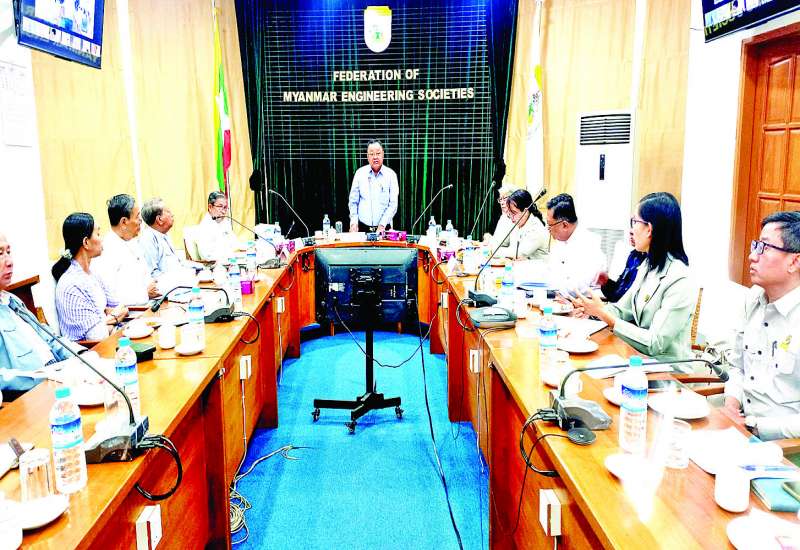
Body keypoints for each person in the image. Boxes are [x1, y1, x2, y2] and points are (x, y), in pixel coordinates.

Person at [571, 192, 694, 362]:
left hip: (668, 370)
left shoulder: (679, 279)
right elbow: (622, 310)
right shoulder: (647, 265)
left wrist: (604, 315)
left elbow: (655, 343)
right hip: (636, 357)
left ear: (649, 229)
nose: (631, 229)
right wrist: (593, 310)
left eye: (634, 222)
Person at [722, 211, 800, 441]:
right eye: (755, 245)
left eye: (764, 248)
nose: (751, 256)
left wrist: (755, 427)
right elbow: (737, 366)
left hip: (785, 447)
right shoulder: (754, 298)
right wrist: (731, 405)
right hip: (741, 429)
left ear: (794, 262)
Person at [0, 232, 71, 398]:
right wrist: (45, 377)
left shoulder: (12, 300)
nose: (9, 262)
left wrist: (81, 356)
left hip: (59, 376)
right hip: (33, 394)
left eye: (8, 252)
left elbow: (49, 338)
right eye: (0, 254)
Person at [53, 213, 128, 341]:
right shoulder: (70, 285)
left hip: (111, 339)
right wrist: (115, 317)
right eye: (98, 234)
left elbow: (121, 306)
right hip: (91, 349)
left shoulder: (93, 274)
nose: (102, 239)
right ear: (86, 242)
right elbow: (96, 335)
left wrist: (105, 319)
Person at [92, 194, 158, 306]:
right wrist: (145, 293)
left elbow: (146, 277)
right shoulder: (106, 251)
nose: (140, 220)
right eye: (137, 216)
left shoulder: (133, 241)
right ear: (124, 222)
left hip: (149, 304)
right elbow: (111, 298)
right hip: (130, 312)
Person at [545, 193, 606, 290]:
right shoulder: (561, 241)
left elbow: (578, 287)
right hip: (560, 295)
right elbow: (550, 273)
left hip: (582, 298)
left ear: (565, 225)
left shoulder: (589, 244)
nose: (548, 229)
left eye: (550, 225)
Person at [140, 198, 200, 292]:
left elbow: (178, 262)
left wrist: (201, 267)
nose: (172, 214)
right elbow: (153, 274)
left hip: (181, 285)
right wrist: (180, 279)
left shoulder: (164, 234)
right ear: (159, 219)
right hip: (169, 291)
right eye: (168, 212)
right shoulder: (147, 239)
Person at [348, 139, 399, 233]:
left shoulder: (391, 175)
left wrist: (382, 225)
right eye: (371, 154)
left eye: (378, 153)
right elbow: (353, 202)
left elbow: (393, 204)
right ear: (367, 156)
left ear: (383, 154)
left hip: (384, 228)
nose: (375, 157)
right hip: (362, 228)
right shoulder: (360, 173)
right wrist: (353, 223)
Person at [495, 189, 549, 260]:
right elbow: (509, 248)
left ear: (525, 212)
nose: (511, 218)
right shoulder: (517, 224)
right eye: (510, 214)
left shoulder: (536, 228)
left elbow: (518, 254)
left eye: (514, 213)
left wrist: (494, 251)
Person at [597, 231, 647, 303]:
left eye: (634, 233)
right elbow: (618, 291)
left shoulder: (649, 261)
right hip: (616, 306)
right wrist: (606, 282)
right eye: (631, 233)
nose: (631, 235)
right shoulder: (633, 255)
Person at [197, 191, 240, 261]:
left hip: (231, 260)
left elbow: (235, 243)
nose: (223, 211)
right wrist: (229, 255)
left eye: (225, 207)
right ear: (210, 207)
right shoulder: (205, 227)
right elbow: (207, 256)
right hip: (216, 265)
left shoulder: (225, 222)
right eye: (220, 207)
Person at [482, 184, 515, 248]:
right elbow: (496, 239)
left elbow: (503, 243)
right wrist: (488, 237)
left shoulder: (515, 218)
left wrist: (489, 239)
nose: (501, 203)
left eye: (504, 199)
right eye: (500, 199)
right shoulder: (503, 216)